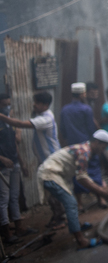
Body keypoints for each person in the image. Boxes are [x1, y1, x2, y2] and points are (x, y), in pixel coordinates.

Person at [37, 130, 108, 249]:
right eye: (103, 147)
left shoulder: (85, 149)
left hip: (55, 174)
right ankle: (81, 241)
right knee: (71, 203)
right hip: (50, 174)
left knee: (70, 199)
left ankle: (77, 225)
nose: (103, 150)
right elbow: (81, 178)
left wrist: (100, 188)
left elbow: (83, 175)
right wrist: (101, 191)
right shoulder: (85, 151)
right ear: (97, 143)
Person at [60, 82, 108, 210]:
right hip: (87, 146)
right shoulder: (86, 109)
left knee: (77, 173)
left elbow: (63, 130)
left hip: (73, 147)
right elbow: (91, 129)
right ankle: (101, 198)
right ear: (82, 94)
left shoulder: (65, 110)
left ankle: (80, 203)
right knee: (94, 170)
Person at [0, 94, 36, 244]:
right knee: (3, 199)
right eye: (4, 105)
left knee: (14, 196)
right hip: (2, 166)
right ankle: (7, 234)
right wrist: (2, 159)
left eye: (8, 104)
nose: (7, 107)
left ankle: (19, 227)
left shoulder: (9, 122)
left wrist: (21, 162)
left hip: (14, 163)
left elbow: (15, 143)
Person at [0, 91, 60, 164]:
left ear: (46, 105)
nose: (34, 104)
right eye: (34, 102)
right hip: (45, 159)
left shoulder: (45, 119)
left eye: (37, 103)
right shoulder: (41, 114)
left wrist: (2, 116)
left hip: (51, 159)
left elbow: (20, 124)